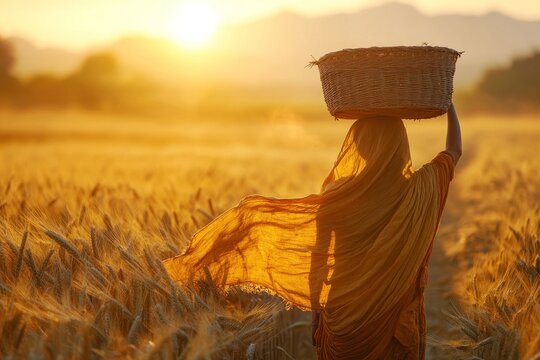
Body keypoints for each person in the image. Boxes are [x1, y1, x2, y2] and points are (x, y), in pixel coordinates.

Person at [163, 103, 462, 359]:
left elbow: (318, 262)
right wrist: (447, 102)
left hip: (344, 320)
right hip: (392, 317)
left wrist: (318, 315)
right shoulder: (419, 190)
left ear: (357, 146)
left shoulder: (337, 196)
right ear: (401, 146)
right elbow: (454, 150)